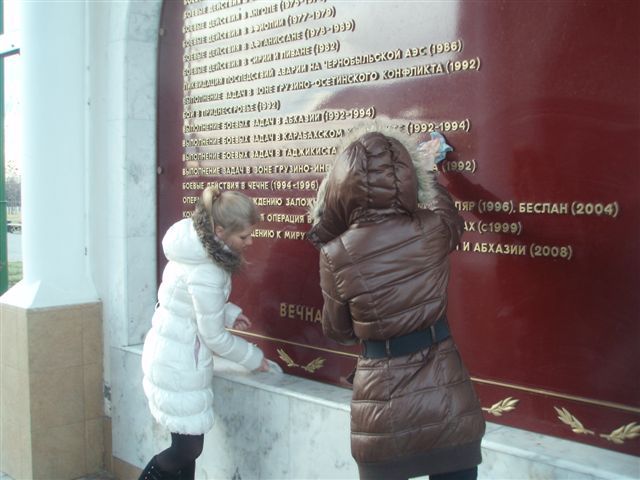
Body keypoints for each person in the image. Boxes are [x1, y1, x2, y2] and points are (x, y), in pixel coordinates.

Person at [307, 129, 485, 480]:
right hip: (446, 399)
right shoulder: (433, 228)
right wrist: (430, 173)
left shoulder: (334, 253)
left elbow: (339, 332)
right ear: (406, 178)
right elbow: (450, 218)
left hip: (381, 407)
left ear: (343, 184)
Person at [139, 186, 269, 480]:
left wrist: (229, 313)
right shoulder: (208, 269)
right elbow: (214, 337)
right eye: (244, 236)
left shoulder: (195, 251)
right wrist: (253, 357)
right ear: (220, 231)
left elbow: (188, 299)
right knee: (187, 448)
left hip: (171, 350)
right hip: (179, 361)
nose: (250, 242)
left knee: (186, 446)